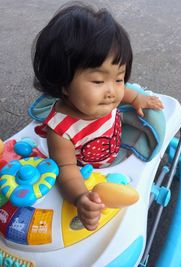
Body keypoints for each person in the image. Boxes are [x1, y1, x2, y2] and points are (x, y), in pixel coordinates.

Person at [32, 3, 163, 231]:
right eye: (98, 81)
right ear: (63, 83)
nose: (112, 91)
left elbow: (124, 92)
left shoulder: (105, 96)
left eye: (119, 78)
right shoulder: (60, 129)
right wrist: (81, 198)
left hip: (115, 151)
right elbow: (65, 168)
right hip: (88, 169)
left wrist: (136, 99)